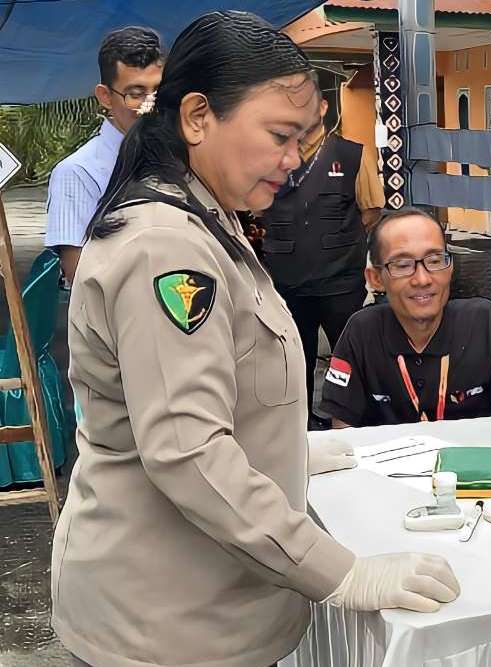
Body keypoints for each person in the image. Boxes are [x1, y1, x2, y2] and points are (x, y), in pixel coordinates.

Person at [51, 13, 458, 667]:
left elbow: (211, 387)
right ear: (197, 117)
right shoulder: (166, 247)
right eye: (278, 136)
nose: (294, 161)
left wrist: (285, 446)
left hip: (213, 610)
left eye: (303, 140)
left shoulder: (212, 217)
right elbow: (188, 451)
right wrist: (342, 572)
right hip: (167, 629)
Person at [319, 207, 491, 427]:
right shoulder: (362, 332)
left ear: (450, 268)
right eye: (402, 265)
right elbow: (342, 434)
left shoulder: (484, 323)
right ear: (375, 278)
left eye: (434, 260)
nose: (422, 279)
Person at [257, 94, 384, 430]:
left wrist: (334, 244)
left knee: (352, 353)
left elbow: (371, 210)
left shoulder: (353, 154)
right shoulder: (269, 156)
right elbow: (255, 209)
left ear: (324, 109)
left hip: (341, 281)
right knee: (294, 358)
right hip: (287, 282)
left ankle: (357, 421)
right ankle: (300, 426)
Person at [45, 26, 163, 285]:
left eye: (158, 91)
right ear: (105, 97)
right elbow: (81, 278)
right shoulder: (77, 173)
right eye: (136, 94)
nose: (150, 105)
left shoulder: (178, 159)